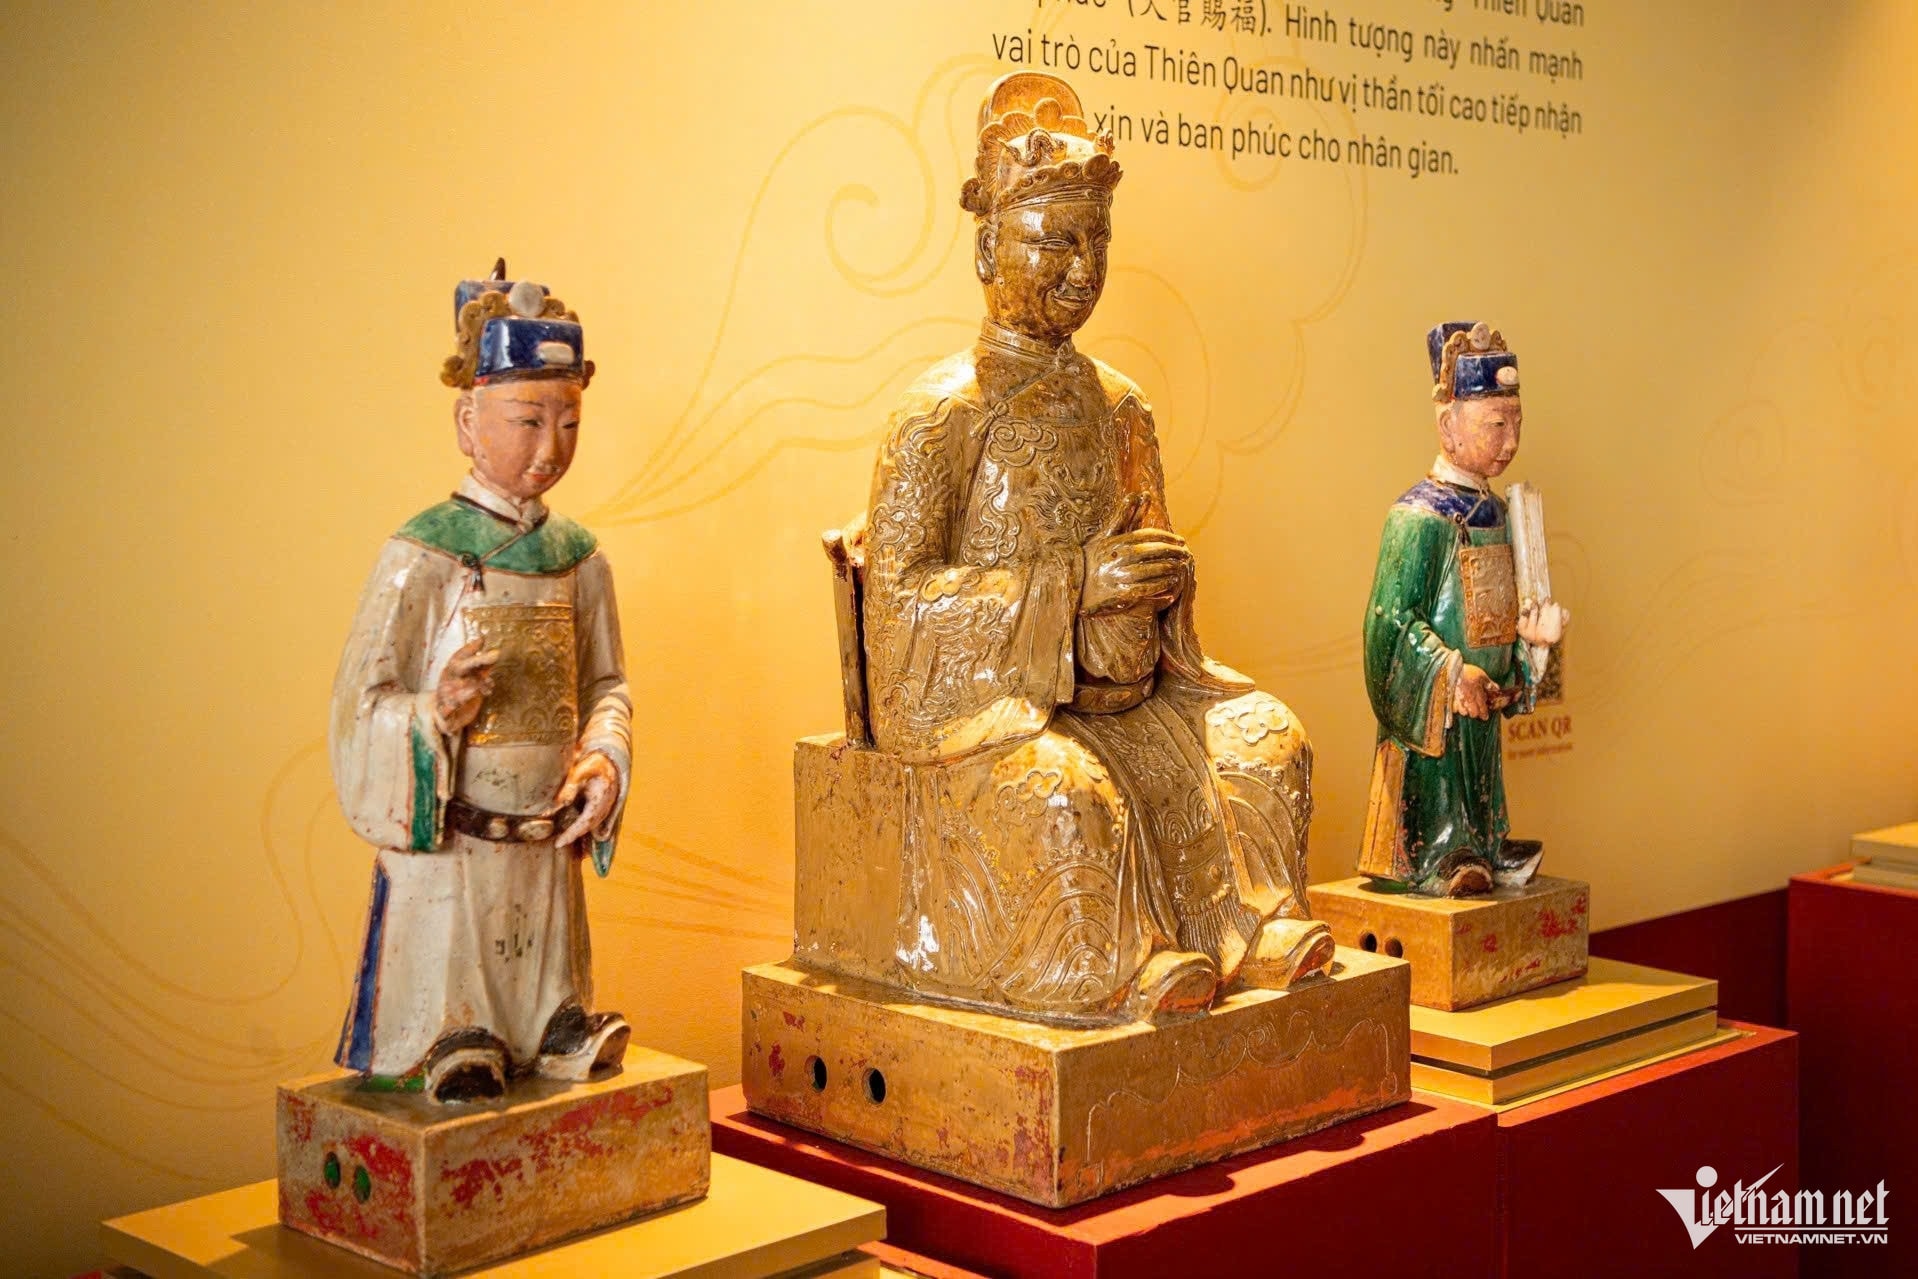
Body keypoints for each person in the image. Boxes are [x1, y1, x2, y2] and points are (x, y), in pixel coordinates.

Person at [848, 73, 1336, 1025]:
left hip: (1128, 693)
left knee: (1268, 739)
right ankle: (1117, 963)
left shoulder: (1122, 406)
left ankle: (1255, 924)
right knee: (1069, 793)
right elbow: (897, 611)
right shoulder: (938, 415)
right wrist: (1070, 585)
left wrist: (1160, 590)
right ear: (988, 246)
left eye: (1097, 242)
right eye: (1055, 241)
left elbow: (1150, 557)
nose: (1082, 268)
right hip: (1000, 710)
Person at [329, 265, 632, 1100]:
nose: (549, 448)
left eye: (568, 422)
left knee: (550, 965)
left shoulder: (580, 559)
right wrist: (433, 711)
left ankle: (554, 1022)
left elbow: (608, 682)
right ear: (469, 422)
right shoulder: (422, 556)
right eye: (527, 420)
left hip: (545, 840)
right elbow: (361, 703)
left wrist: (603, 757)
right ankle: (450, 1031)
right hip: (456, 845)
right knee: (457, 971)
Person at [1359, 321, 1569, 897]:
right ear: (1448, 427)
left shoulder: (1499, 513)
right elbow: (1390, 627)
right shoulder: (1418, 518)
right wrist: (1452, 675)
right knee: (1441, 767)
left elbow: (1500, 617)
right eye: (1496, 425)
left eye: (1517, 423)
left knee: (1480, 764)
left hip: (1483, 710)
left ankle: (1483, 839)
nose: (1510, 441)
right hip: (1437, 716)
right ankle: (1435, 849)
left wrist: (1533, 646)